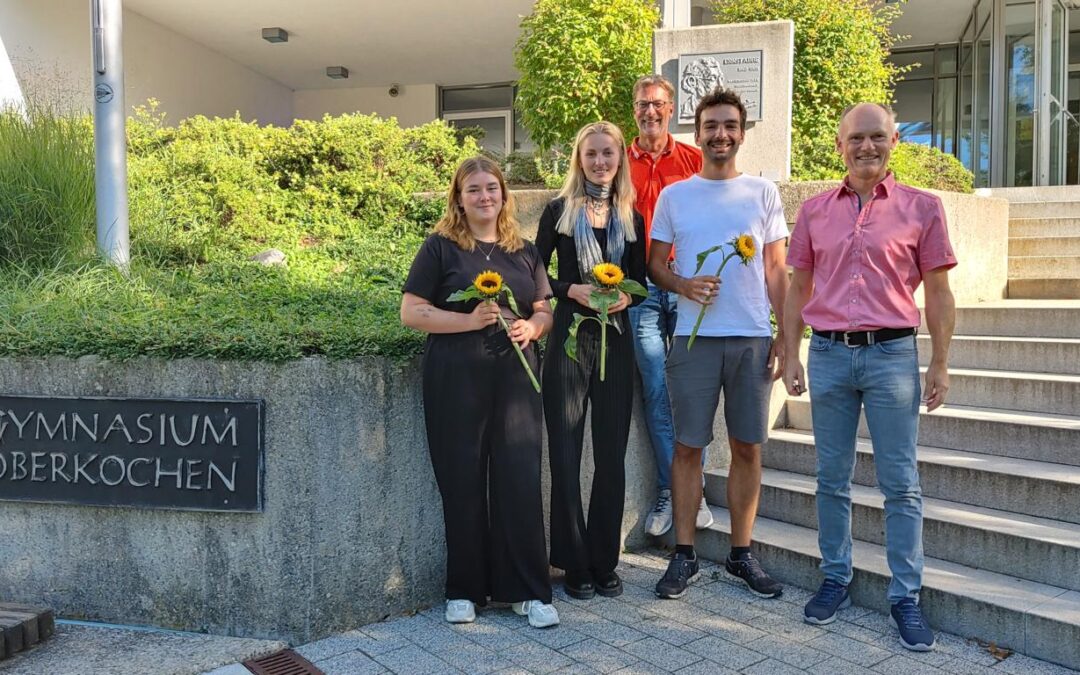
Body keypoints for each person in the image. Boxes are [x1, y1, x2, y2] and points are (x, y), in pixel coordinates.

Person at [783, 102, 956, 651]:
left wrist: (940, 360)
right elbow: (797, 287)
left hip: (892, 357)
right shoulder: (814, 212)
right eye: (856, 138)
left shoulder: (923, 208)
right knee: (831, 477)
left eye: (877, 136)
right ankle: (835, 576)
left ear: (894, 141)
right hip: (829, 355)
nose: (867, 147)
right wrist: (790, 353)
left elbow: (939, 291)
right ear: (840, 145)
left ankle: (905, 595)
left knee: (900, 483)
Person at [400, 156, 559, 628]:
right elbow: (411, 311)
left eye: (492, 187)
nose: (484, 196)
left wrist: (534, 327)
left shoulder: (524, 251)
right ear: (459, 198)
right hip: (456, 379)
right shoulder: (441, 248)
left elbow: (544, 309)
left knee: (519, 480)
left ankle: (527, 591)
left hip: (516, 380)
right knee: (462, 481)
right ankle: (464, 589)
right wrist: (468, 321)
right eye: (474, 189)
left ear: (504, 195)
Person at [647, 89, 789, 600]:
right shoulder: (675, 196)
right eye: (711, 126)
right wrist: (683, 285)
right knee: (688, 447)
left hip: (751, 337)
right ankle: (684, 555)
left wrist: (786, 336)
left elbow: (777, 269)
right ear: (698, 133)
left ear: (742, 134)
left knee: (748, 446)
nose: (720, 134)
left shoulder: (762, 192)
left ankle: (741, 553)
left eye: (729, 125)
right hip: (693, 340)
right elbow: (655, 265)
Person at [536, 121, 647, 601]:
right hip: (569, 339)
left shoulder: (631, 216)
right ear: (578, 160)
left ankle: (604, 561)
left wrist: (627, 297)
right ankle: (573, 561)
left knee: (610, 455)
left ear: (620, 159)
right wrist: (570, 290)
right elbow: (534, 271)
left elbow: (641, 282)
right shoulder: (558, 212)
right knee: (565, 452)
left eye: (608, 153)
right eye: (591, 154)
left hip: (615, 342)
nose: (600, 162)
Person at [626, 74, 709, 538]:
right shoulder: (620, 163)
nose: (650, 111)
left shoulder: (695, 160)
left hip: (685, 284)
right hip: (640, 288)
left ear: (671, 108)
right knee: (657, 391)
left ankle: (695, 491)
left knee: (690, 391)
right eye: (643, 104)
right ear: (634, 109)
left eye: (657, 104)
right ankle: (668, 490)